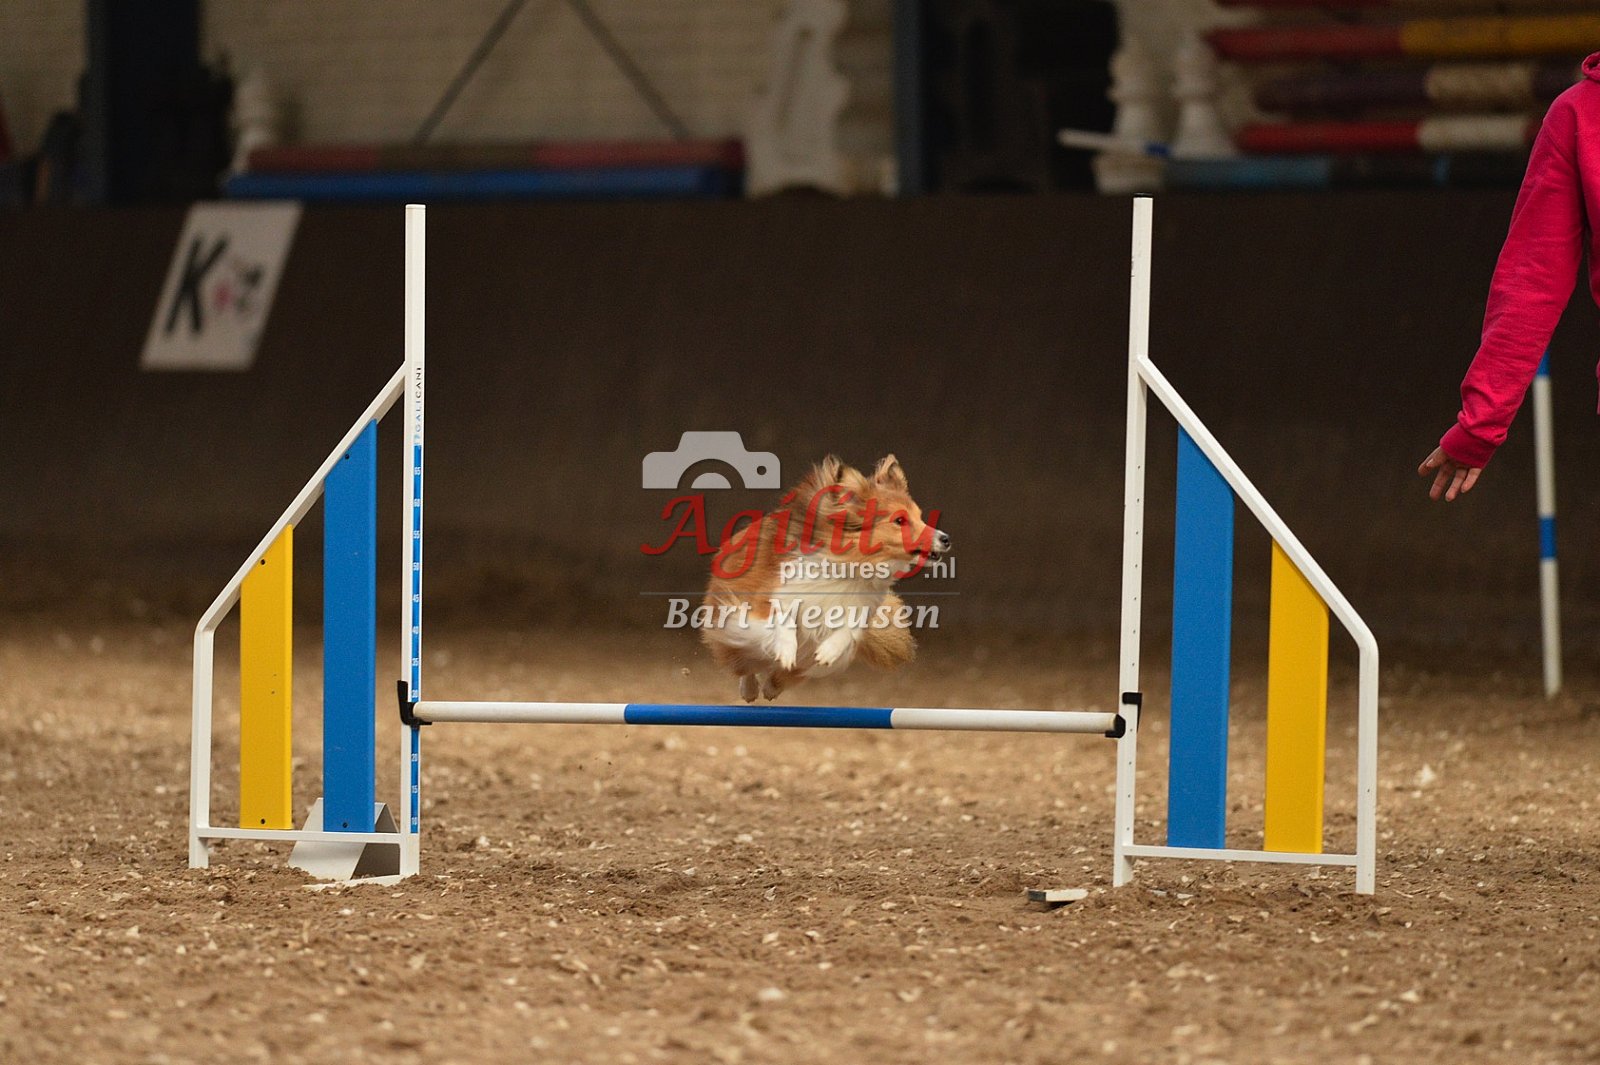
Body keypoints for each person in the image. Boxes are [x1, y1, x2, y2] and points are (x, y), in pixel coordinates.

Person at [1419, 53, 1600, 501]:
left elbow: (1533, 278)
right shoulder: (1576, 115)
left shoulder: (1579, 113)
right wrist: (1479, 424)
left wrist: (1481, 424)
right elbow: (1533, 277)